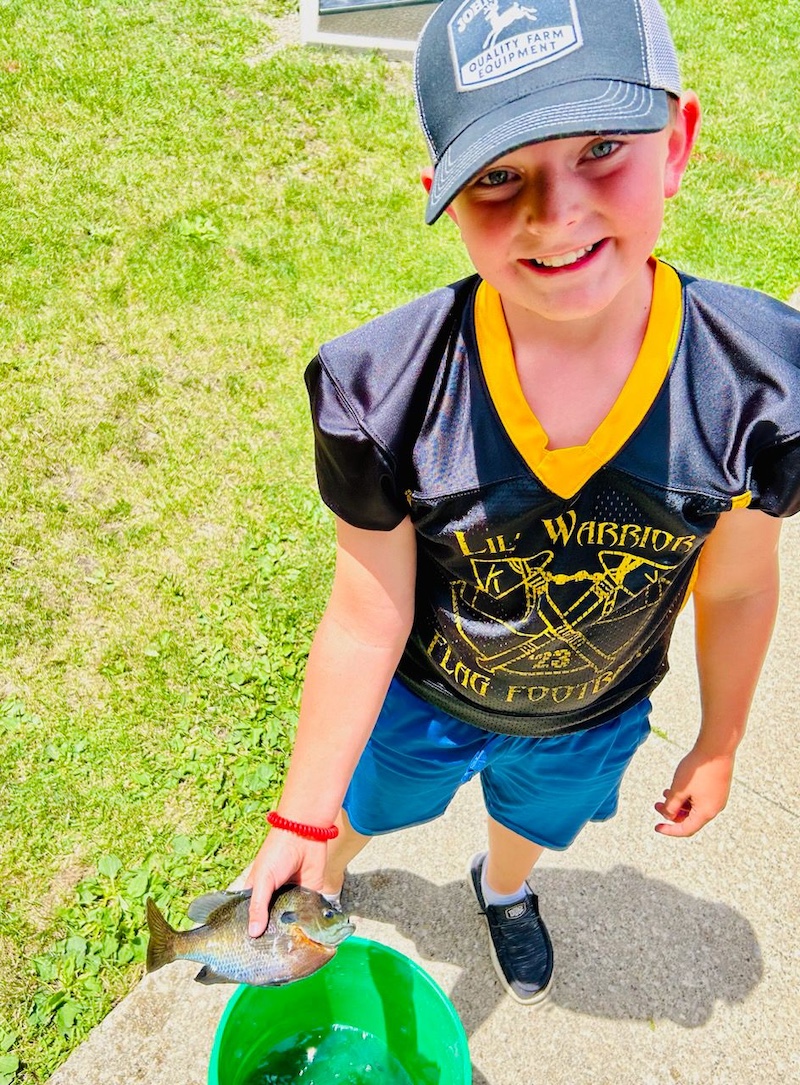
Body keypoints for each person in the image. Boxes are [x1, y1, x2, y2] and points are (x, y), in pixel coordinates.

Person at [245, 0, 800, 1003]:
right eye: (498, 175)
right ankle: (332, 870)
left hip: (591, 713)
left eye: (599, 147)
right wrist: (300, 820)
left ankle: (501, 889)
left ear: (675, 142)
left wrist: (718, 739)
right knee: (370, 801)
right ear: (443, 196)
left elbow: (736, 587)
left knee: (529, 826)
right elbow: (368, 607)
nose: (554, 212)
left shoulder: (756, 385)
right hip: (422, 697)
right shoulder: (383, 389)